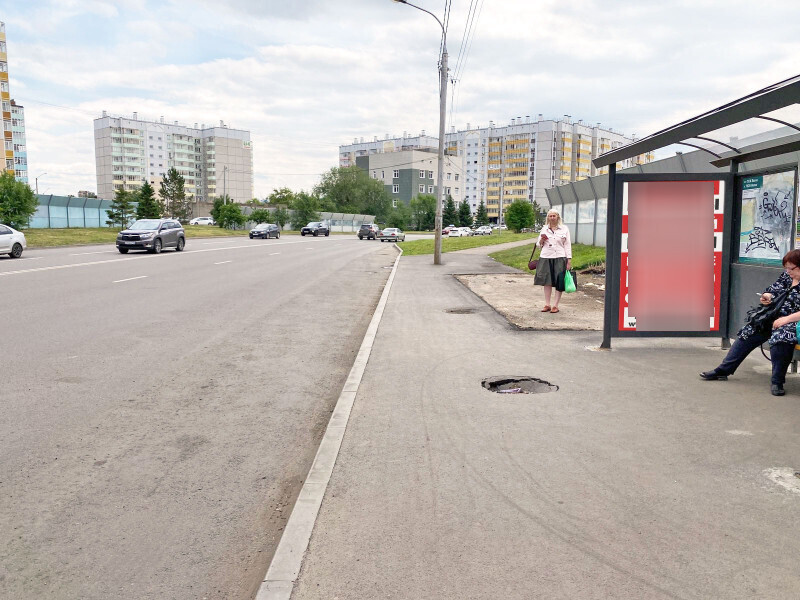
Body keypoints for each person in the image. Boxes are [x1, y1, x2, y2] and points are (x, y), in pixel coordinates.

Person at [700, 249, 800, 396]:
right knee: (750, 330)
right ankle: (723, 370)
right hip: (774, 316)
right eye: (786, 268)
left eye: (791, 268)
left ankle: (777, 381)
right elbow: (773, 289)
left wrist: (786, 319)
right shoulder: (787, 276)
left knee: (781, 336)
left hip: (794, 321)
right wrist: (767, 296)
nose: (788, 271)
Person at [534, 209, 572, 313]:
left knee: (559, 281)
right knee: (547, 281)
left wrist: (569, 260)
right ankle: (547, 304)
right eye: (550, 216)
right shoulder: (544, 229)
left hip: (560, 257)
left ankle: (555, 305)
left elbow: (567, 244)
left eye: (554, 216)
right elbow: (538, 245)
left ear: (558, 217)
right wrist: (542, 240)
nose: (552, 218)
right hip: (546, 257)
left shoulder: (564, 229)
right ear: (548, 218)